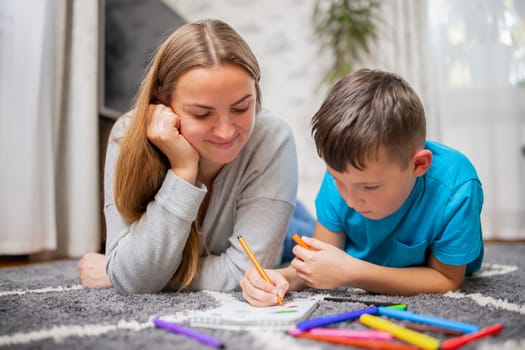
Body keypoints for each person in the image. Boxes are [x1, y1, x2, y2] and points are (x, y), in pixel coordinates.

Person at [77, 19, 298, 294]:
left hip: (284, 219)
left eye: (242, 107)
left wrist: (123, 271)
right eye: (202, 114)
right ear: (163, 101)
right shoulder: (125, 136)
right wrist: (182, 171)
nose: (226, 131)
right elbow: (132, 277)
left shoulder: (271, 136)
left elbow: (248, 272)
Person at [240, 68, 484, 306]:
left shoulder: (457, 188)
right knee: (296, 229)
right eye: (337, 180)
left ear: (419, 165)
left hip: (395, 264)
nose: (350, 199)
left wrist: (352, 272)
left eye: (370, 186)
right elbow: (317, 263)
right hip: (352, 253)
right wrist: (280, 278)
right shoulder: (343, 179)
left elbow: (446, 280)